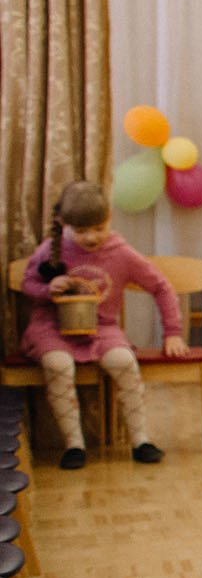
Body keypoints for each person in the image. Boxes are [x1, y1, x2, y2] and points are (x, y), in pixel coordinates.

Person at [19, 179, 191, 468]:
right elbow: (28, 283)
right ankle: (74, 446)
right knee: (58, 364)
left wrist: (173, 332)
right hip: (52, 328)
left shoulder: (121, 252)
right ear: (62, 224)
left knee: (124, 361)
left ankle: (141, 440)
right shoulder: (51, 249)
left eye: (98, 228)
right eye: (81, 231)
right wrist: (48, 289)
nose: (91, 238)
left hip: (101, 329)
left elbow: (161, 287)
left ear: (109, 218)